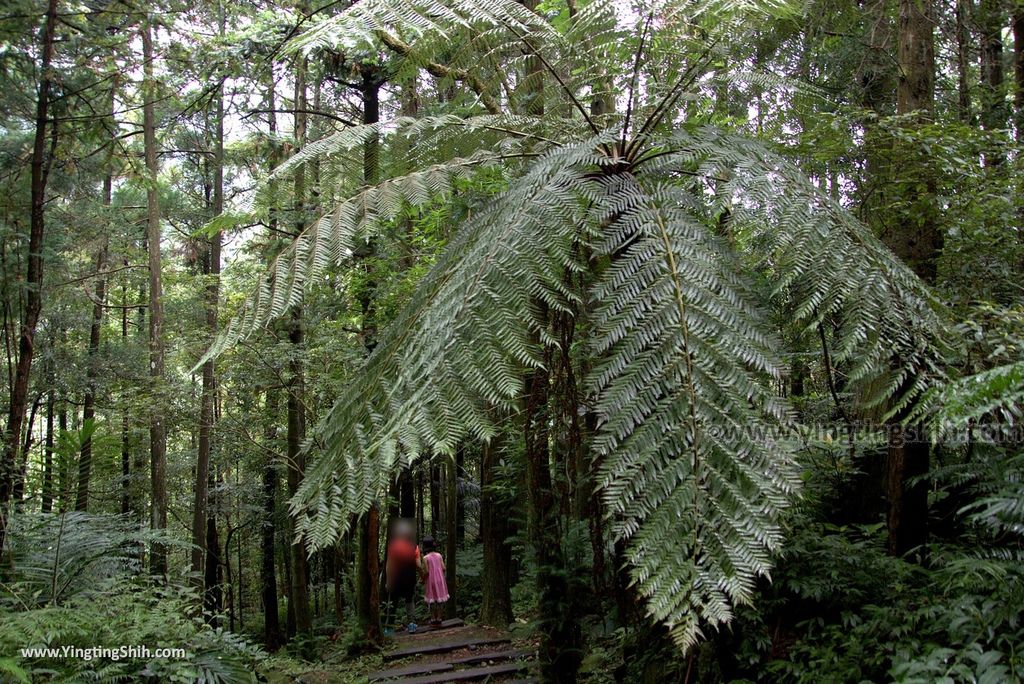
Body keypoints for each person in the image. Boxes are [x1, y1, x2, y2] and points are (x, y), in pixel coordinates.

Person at [385, 519, 420, 634]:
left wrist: (388, 580)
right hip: (410, 578)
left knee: (393, 602)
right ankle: (412, 625)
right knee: (409, 601)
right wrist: (422, 575)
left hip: (396, 577)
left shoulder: (393, 546)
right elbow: (418, 564)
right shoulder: (414, 546)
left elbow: (390, 564)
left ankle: (389, 628)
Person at [419, 536, 449, 626]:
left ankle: (433, 618)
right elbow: (443, 568)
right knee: (440, 599)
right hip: (440, 580)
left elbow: (427, 571)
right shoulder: (439, 555)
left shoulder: (425, 558)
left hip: (431, 581)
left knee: (432, 600)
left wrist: (422, 579)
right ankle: (439, 618)